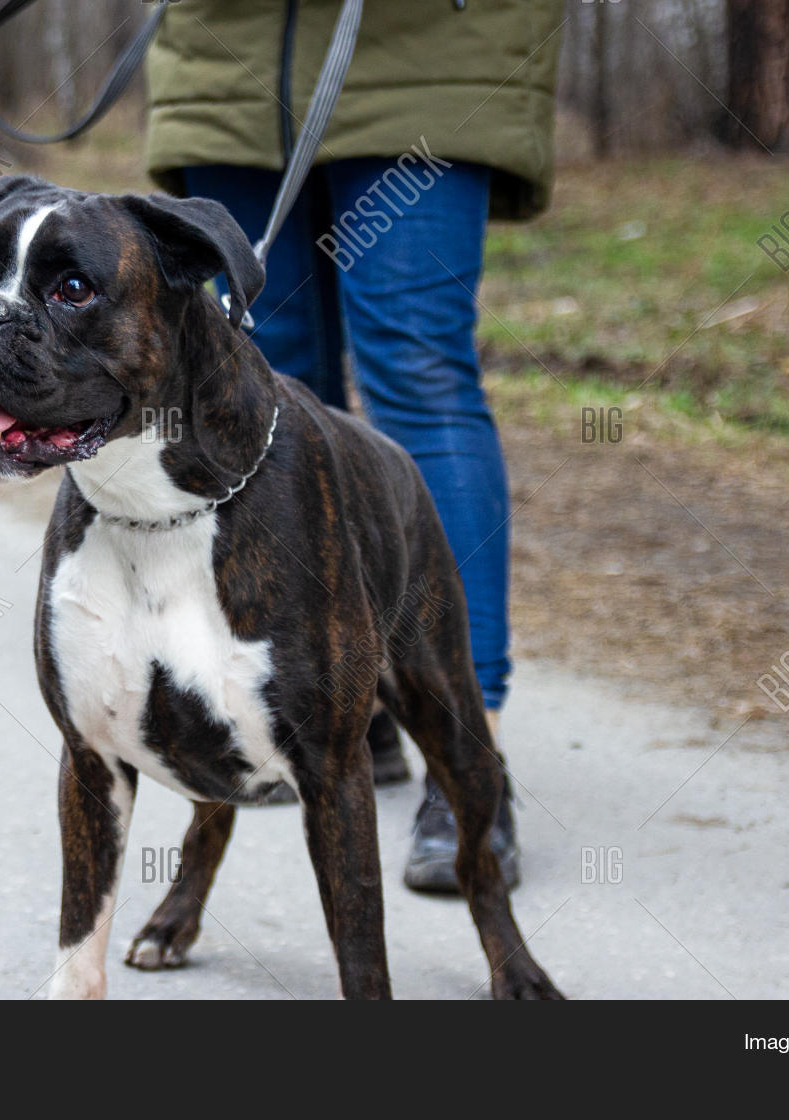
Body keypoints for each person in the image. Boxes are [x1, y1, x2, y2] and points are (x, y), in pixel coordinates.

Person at [143, 0, 562, 893]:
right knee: (268, 373)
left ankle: (464, 750)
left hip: (427, 46)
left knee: (418, 373)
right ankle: (343, 695)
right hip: (232, 54)